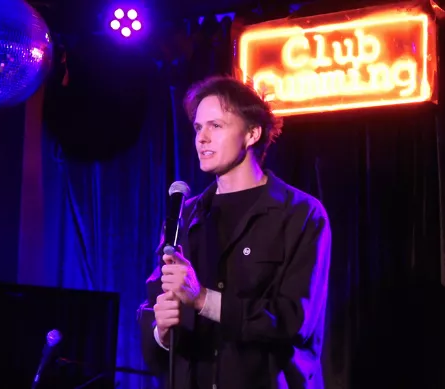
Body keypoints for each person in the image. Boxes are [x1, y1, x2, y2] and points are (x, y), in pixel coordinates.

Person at [138, 76, 331, 389]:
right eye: (198, 128)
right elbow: (152, 305)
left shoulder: (300, 214)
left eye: (215, 126)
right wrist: (160, 331)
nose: (201, 138)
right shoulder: (186, 215)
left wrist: (202, 299)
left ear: (252, 134)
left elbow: (295, 319)